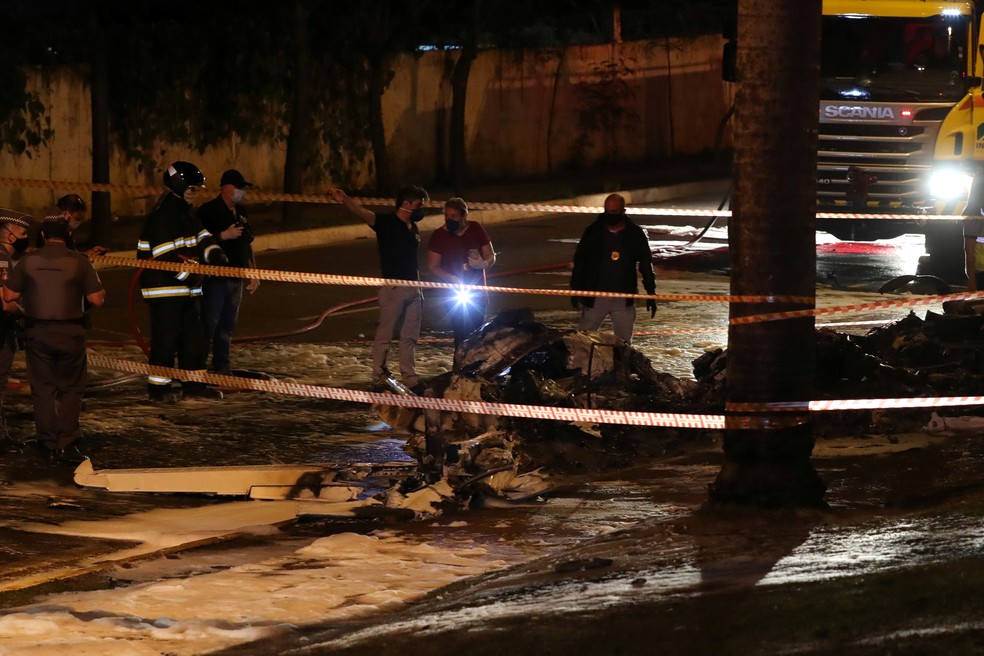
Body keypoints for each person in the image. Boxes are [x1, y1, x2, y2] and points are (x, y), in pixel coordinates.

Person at [2, 217, 105, 464]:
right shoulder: (80, 262)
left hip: (37, 332)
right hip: (71, 333)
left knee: (43, 388)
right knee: (71, 387)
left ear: (44, 236)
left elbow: (8, 294)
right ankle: (66, 439)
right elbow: (96, 299)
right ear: (68, 235)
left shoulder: (28, 261)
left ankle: (47, 441)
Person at [137, 161, 228, 403]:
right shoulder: (164, 215)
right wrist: (193, 274)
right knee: (166, 340)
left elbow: (202, 237)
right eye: (192, 189)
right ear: (179, 187)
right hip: (164, 290)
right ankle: (159, 390)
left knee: (194, 339)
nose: (196, 194)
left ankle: (194, 386)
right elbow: (165, 256)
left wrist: (214, 252)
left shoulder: (185, 213)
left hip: (187, 289)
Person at [329, 184, 428, 391]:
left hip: (414, 289)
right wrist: (345, 198)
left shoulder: (413, 227)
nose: (422, 209)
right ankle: (378, 374)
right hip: (393, 288)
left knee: (410, 337)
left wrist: (419, 288)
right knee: (385, 334)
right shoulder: (385, 223)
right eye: (419, 204)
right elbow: (362, 212)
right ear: (406, 203)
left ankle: (410, 376)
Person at [570, 193, 657, 343]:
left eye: (614, 213)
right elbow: (580, 262)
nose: (610, 216)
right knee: (582, 342)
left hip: (623, 299)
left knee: (623, 344)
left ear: (623, 212)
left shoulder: (634, 234)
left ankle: (622, 366)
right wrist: (575, 289)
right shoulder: (593, 233)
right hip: (595, 298)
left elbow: (645, 264)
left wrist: (651, 293)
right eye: (607, 212)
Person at [197, 169, 259, 374]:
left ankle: (222, 366)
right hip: (215, 277)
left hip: (236, 277)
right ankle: (197, 367)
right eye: (239, 188)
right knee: (209, 323)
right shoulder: (208, 211)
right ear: (227, 188)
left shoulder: (241, 211)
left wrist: (253, 270)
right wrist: (223, 235)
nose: (242, 193)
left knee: (227, 324)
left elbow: (246, 243)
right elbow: (197, 242)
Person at [427, 197, 495, 346]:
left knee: (477, 332)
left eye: (454, 216)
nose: (449, 219)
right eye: (447, 216)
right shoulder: (439, 235)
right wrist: (451, 278)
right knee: (461, 332)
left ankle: (475, 365)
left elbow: (490, 255)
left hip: (476, 290)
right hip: (453, 292)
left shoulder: (475, 229)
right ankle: (459, 364)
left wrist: (484, 263)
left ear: (464, 216)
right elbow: (433, 266)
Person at [0, 209, 32, 447]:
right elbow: (4, 301)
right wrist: (24, 313)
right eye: (23, 232)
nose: (25, 237)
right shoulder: (1, 257)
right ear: (10, 235)